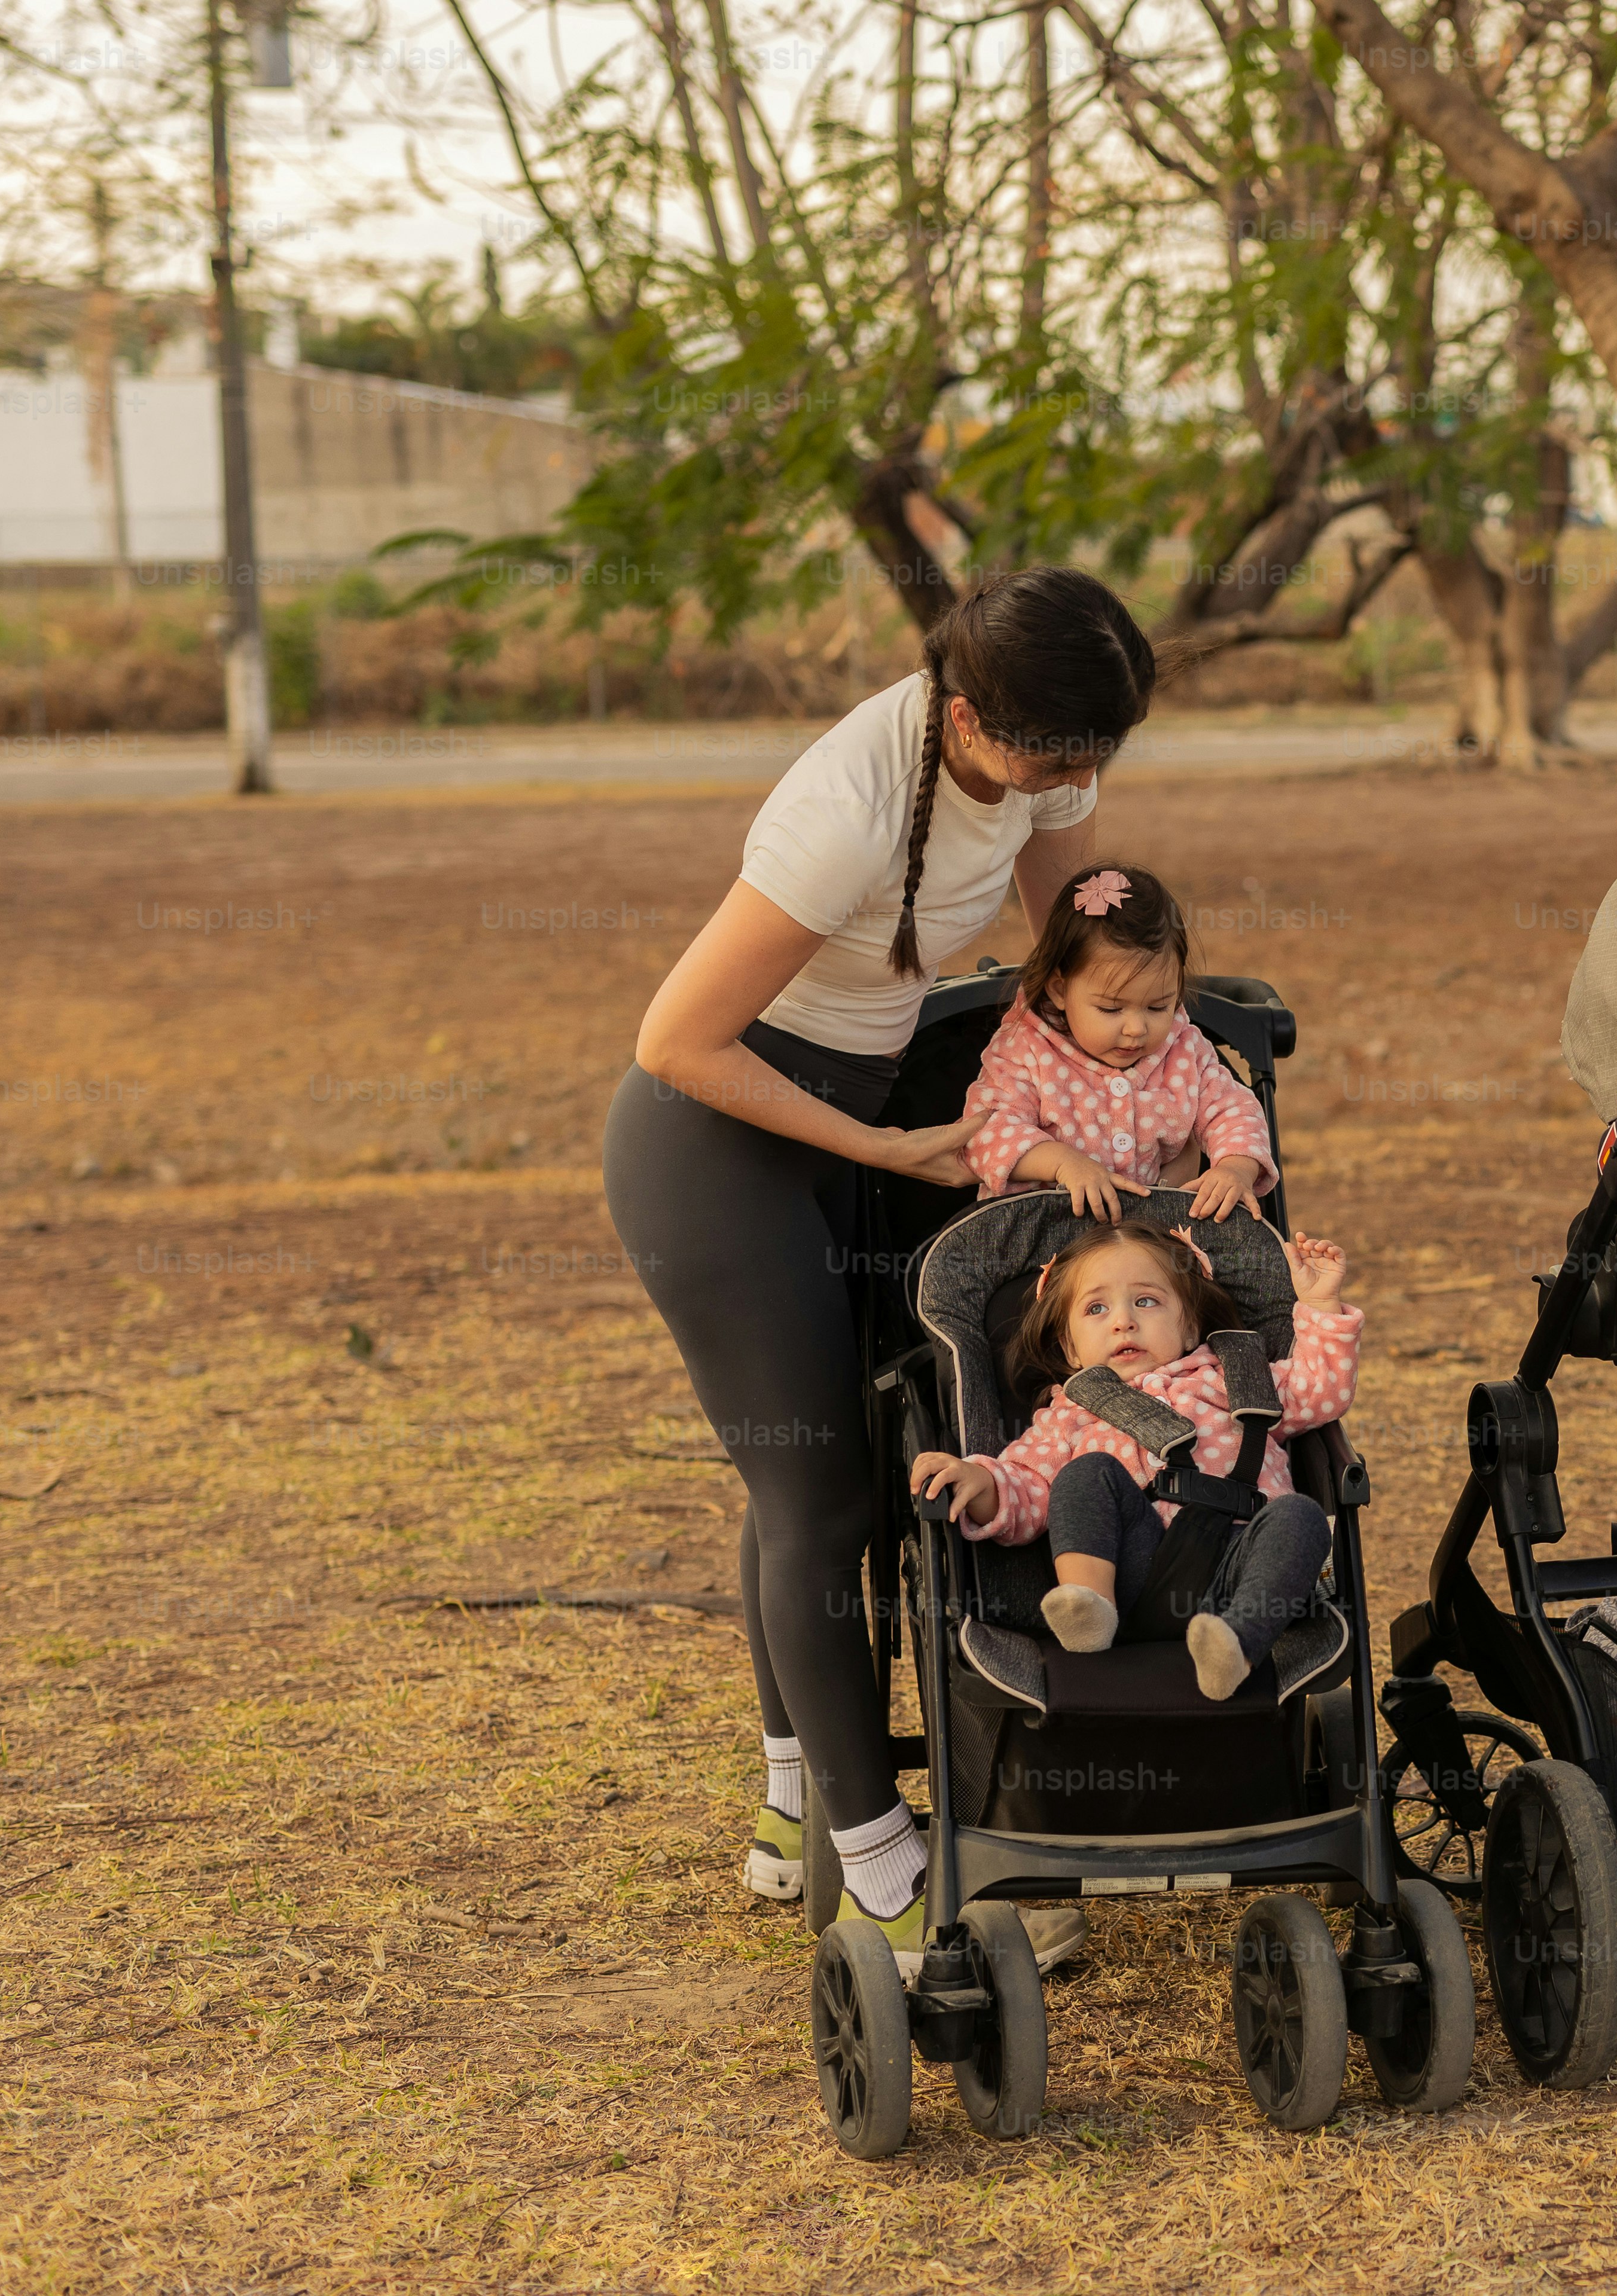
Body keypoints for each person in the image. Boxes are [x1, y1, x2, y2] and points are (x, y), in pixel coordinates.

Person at [602, 565, 1156, 1972]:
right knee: (821, 1494)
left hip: (860, 1119)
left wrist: (1148, 1055)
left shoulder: (1041, 750)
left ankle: (790, 1803)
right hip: (718, 1143)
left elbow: (1065, 940)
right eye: (1054, 755)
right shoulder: (845, 811)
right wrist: (873, 1145)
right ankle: (879, 1865)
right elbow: (677, 1040)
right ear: (968, 716)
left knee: (825, 1454)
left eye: (1099, 753)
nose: (1076, 779)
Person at [910, 1224, 1359, 1702]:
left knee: (1301, 1517)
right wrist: (979, 1480)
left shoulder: (1238, 1378)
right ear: (1070, 1348)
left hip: (1239, 1569)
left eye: (1146, 1302)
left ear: (1189, 1325)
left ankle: (1236, 1647)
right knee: (1085, 1474)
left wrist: (1321, 1304)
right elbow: (1026, 1486)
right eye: (1096, 1309)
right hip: (1131, 1577)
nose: (1123, 1321)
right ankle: (1089, 1606)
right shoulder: (1072, 1413)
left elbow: (1320, 1389)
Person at [962, 860, 1276, 1219]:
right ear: (1060, 990)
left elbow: (1234, 1112)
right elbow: (986, 1132)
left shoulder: (1183, 1051)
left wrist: (1236, 1167)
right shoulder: (1026, 1050)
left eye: (1158, 1007)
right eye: (1112, 1010)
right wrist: (1063, 1164)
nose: (1136, 1029)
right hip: (1044, 1235)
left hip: (1153, 1237)